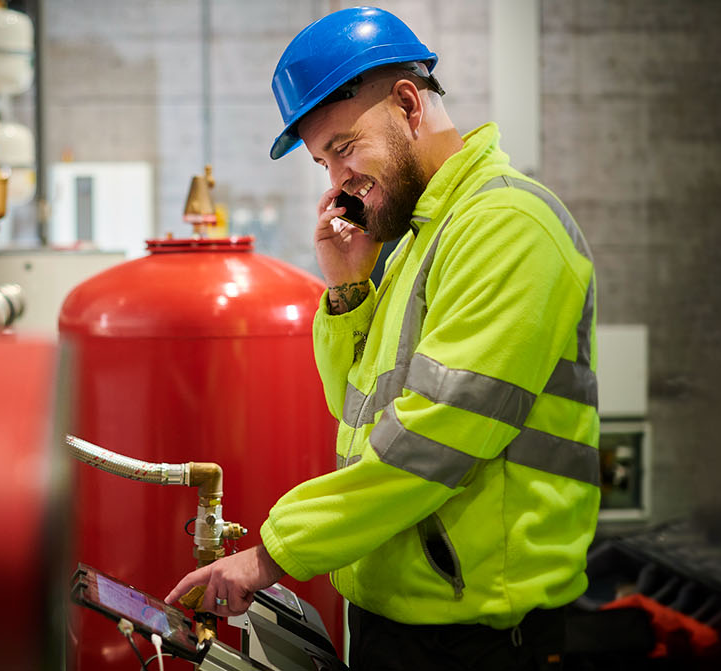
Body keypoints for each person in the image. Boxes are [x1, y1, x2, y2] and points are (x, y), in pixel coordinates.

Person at [165, 7, 600, 669]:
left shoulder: (507, 225)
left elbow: (434, 439)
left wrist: (273, 552)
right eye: (323, 162)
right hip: (395, 621)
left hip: (481, 641)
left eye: (343, 148)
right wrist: (346, 287)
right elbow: (354, 405)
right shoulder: (419, 241)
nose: (337, 180)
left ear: (407, 104)